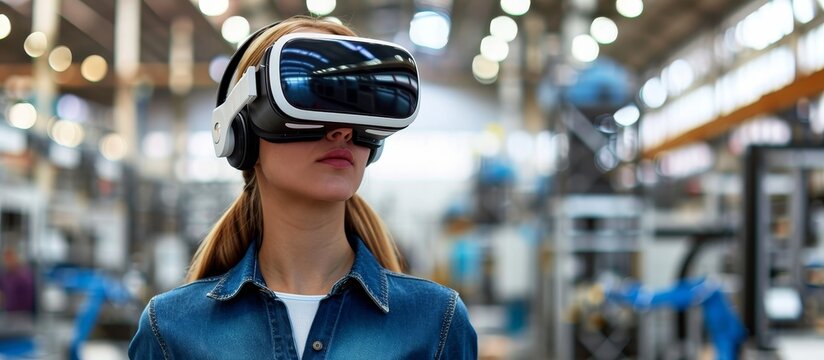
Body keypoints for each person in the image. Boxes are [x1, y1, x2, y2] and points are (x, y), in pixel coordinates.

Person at [129, 15, 477, 359]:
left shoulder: (436, 323)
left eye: (356, 108)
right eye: (309, 100)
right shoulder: (171, 330)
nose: (341, 131)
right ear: (243, 133)